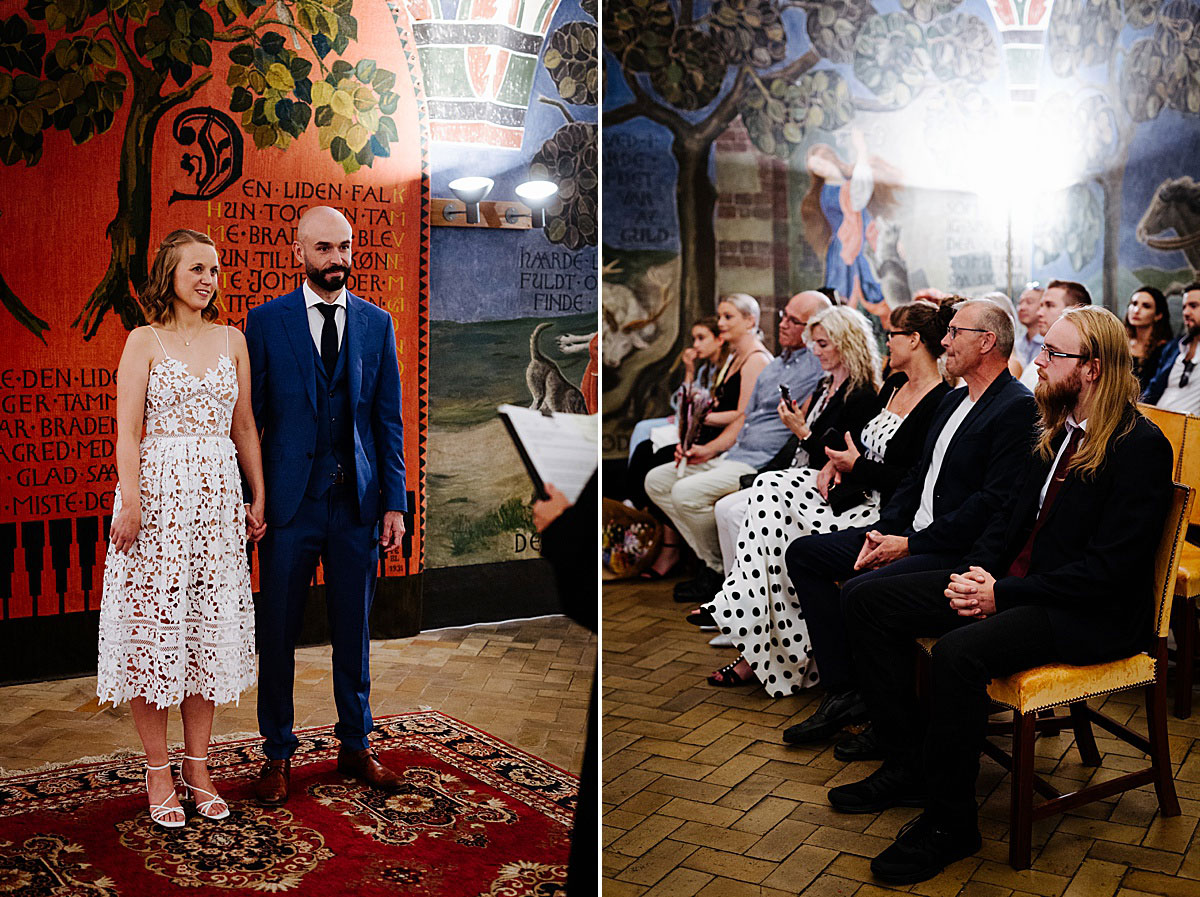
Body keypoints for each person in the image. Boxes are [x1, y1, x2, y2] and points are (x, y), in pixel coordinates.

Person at [835, 306, 1172, 885]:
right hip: (1023, 588)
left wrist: (1003, 595)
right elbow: (1011, 524)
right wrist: (979, 577)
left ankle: (951, 823)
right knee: (868, 601)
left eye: (1053, 354)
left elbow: (1107, 573)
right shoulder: (1057, 426)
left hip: (1090, 612)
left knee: (959, 654)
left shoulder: (1138, 446)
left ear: (1091, 369)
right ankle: (910, 760)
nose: (1038, 361)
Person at [780, 299, 1038, 750]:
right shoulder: (956, 398)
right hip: (907, 531)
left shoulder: (1015, 407)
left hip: (946, 546)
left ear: (986, 342)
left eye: (954, 333)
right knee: (804, 554)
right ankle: (847, 692)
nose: (944, 341)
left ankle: (892, 728)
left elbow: (989, 504)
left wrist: (910, 543)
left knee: (862, 595)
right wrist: (884, 529)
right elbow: (918, 475)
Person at [97, 229, 265, 828]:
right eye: (196, 268)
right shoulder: (143, 341)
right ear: (169, 273)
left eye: (215, 270)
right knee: (154, 637)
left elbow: (244, 425)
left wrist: (258, 490)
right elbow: (128, 433)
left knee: (203, 638)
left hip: (217, 504)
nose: (208, 279)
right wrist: (133, 502)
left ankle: (198, 767)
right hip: (157, 503)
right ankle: (157, 772)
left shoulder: (233, 341)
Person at [700, 301, 952, 691]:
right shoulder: (895, 384)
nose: (885, 342)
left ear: (915, 340)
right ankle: (751, 617)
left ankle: (754, 623)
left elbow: (913, 478)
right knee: (766, 489)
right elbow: (863, 443)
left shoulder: (939, 399)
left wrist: (854, 465)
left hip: (880, 505)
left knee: (779, 524)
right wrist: (839, 462)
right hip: (855, 488)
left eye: (892, 336)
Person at [246, 205, 408, 805]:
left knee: (354, 630)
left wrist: (395, 503)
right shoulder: (263, 325)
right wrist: (252, 499)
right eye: (323, 249)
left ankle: (356, 744)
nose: (337, 259)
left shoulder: (376, 323)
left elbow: (387, 420)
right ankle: (277, 755)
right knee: (279, 632)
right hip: (290, 509)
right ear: (298, 252)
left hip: (357, 507)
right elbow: (251, 423)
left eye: (344, 247)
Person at [644, 291, 829, 604]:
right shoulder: (775, 366)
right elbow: (745, 419)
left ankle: (717, 570)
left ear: (814, 327)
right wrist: (711, 450)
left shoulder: (814, 368)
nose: (782, 324)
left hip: (763, 461)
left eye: (793, 321)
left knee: (686, 494)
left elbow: (806, 422)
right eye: (783, 315)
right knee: (656, 480)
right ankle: (714, 561)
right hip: (737, 451)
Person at [626, 316, 729, 577]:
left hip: (713, 435)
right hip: (696, 427)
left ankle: (668, 542)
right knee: (642, 451)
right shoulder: (706, 369)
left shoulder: (728, 369)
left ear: (719, 339)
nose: (695, 344)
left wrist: (695, 414)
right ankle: (646, 511)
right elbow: (684, 402)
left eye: (701, 337)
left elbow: (701, 408)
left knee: (656, 458)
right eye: (694, 338)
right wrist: (690, 370)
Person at [800, 130, 901, 320]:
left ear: (831, 159)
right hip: (846, 250)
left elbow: (860, 189)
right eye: (815, 169)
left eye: (821, 164)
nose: (820, 170)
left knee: (874, 288)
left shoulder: (845, 184)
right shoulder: (831, 191)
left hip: (861, 246)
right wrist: (861, 150)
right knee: (844, 296)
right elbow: (858, 198)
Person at [1018, 280, 1091, 391]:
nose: (1040, 313)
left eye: (1050, 305)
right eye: (1041, 306)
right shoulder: (1037, 364)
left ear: (1075, 311)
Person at [1143, 282, 1200, 411]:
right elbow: (1153, 388)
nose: (1186, 312)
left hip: (1190, 428)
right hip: (1154, 422)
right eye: (1184, 307)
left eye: (1193, 306)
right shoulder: (1173, 347)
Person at [1125, 286, 1172, 393]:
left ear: (1158, 315)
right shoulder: (1120, 343)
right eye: (1134, 304)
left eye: (1146, 306)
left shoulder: (1164, 350)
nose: (1136, 310)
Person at [1011, 283, 1044, 372]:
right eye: (1020, 302)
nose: (1022, 307)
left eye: (1029, 302)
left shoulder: (1049, 345)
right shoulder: (1016, 344)